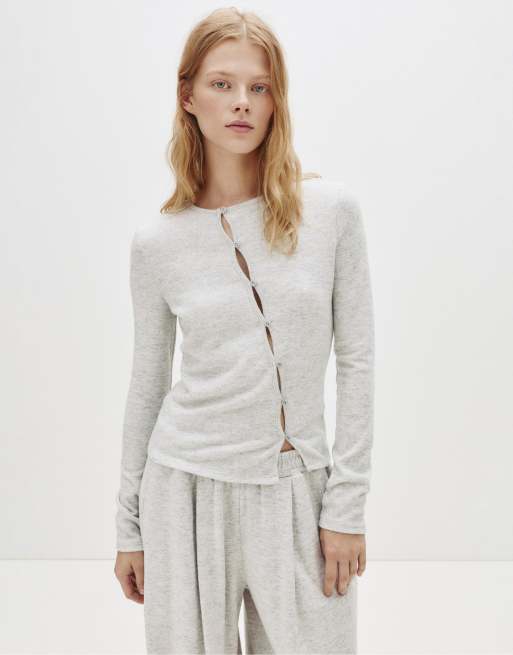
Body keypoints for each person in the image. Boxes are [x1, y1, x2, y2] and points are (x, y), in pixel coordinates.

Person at [114, 7, 375, 654]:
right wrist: (129, 526)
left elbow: (357, 360)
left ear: (276, 100)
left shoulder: (330, 214)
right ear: (188, 96)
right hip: (183, 489)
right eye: (222, 84)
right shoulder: (157, 242)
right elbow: (148, 382)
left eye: (259, 86)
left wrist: (345, 505)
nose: (241, 102)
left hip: (296, 488)